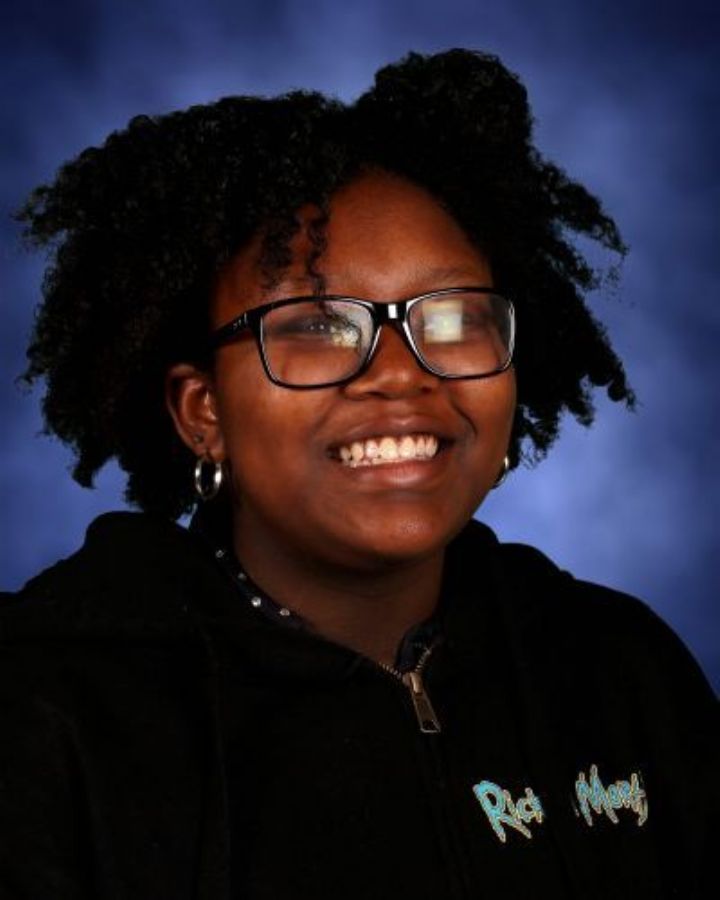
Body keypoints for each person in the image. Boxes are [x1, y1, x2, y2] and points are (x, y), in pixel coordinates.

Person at [0, 49, 716, 899]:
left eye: (452, 318)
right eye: (317, 326)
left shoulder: (620, 669)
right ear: (203, 412)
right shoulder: (46, 707)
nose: (400, 374)